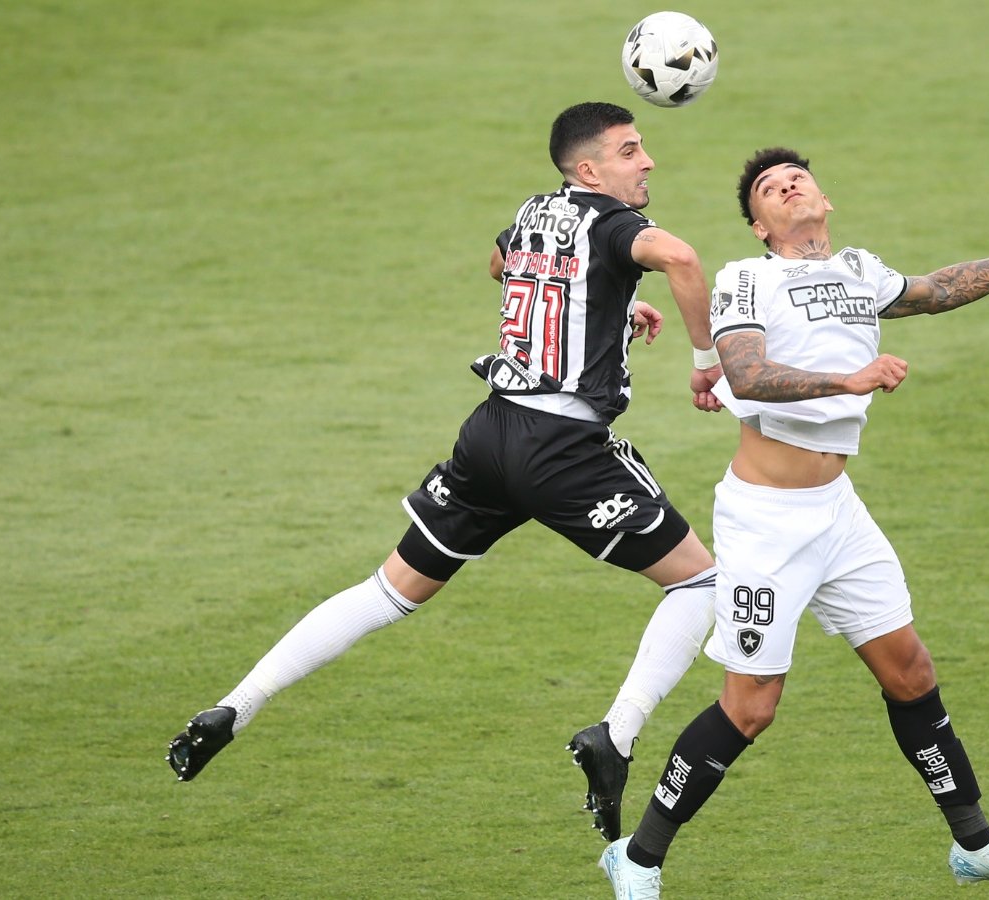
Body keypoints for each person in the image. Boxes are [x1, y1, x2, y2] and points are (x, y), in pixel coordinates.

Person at [167, 103, 725, 821]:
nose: (646, 161)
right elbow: (679, 258)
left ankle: (233, 708)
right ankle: (615, 736)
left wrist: (608, 309)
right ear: (590, 170)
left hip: (488, 436)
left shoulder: (534, 211)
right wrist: (705, 362)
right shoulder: (615, 225)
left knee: (387, 591)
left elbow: (503, 265)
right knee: (701, 583)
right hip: (561, 451)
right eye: (630, 150)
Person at [598, 147, 989, 899]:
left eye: (796, 176)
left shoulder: (858, 270)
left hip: (837, 512)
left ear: (822, 200)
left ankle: (976, 844)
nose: (788, 185)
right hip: (765, 521)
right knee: (750, 708)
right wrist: (850, 378)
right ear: (761, 226)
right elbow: (745, 373)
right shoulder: (748, 277)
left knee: (911, 671)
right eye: (769, 188)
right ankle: (637, 857)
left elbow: (936, 290)